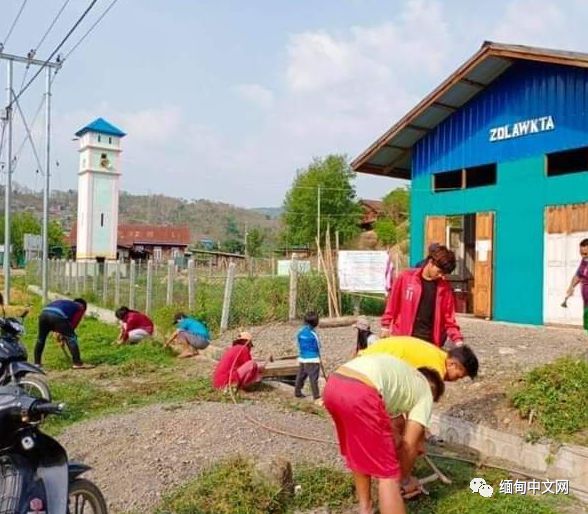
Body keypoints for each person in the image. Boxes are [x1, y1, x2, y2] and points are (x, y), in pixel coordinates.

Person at [323, 353, 445, 514]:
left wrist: (410, 443)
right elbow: (409, 444)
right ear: (433, 392)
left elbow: (393, 429)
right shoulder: (426, 393)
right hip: (361, 392)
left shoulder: (402, 380)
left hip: (334, 385)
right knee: (388, 476)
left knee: (359, 453)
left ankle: (365, 509)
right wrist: (404, 479)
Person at [381, 245, 464, 347]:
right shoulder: (405, 278)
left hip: (430, 342)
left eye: (444, 274)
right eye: (439, 272)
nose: (441, 276)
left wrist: (458, 340)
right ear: (431, 262)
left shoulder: (445, 289)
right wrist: (385, 326)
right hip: (403, 338)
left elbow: (449, 319)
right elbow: (392, 304)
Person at [360, 336, 478, 381]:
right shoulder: (436, 370)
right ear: (452, 364)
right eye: (458, 376)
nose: (455, 380)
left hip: (366, 358)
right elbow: (421, 404)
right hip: (369, 368)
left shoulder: (438, 354)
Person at [34, 297, 92, 369]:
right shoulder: (80, 307)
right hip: (57, 316)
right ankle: (77, 363)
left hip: (44, 314)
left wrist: (60, 333)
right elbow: (73, 325)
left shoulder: (65, 303)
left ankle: (37, 364)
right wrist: (64, 335)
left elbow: (57, 321)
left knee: (41, 339)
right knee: (71, 338)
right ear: (84, 307)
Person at [294, 311, 322, 402]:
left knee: (301, 376)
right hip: (313, 359)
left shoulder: (300, 332)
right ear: (316, 323)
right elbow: (318, 346)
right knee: (313, 378)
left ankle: (297, 391)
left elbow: (297, 343)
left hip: (302, 358)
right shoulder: (314, 334)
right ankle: (316, 396)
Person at [565, 238, 588, 333]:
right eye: (581, 253)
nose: (583, 256)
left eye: (586, 253)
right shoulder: (584, 261)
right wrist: (571, 286)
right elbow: (578, 275)